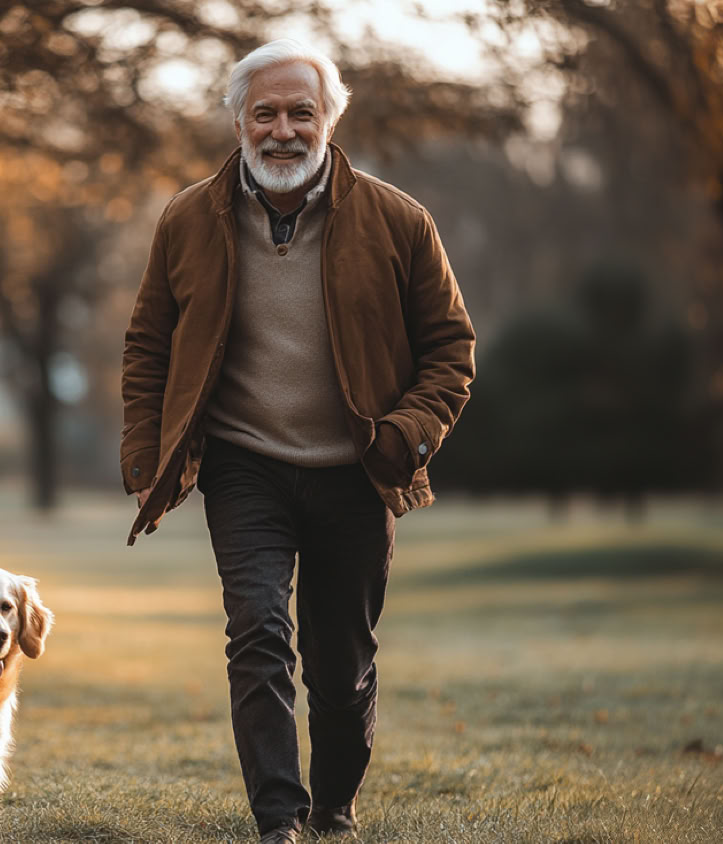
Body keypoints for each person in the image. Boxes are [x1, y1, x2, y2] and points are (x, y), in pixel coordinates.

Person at [119, 38, 476, 842]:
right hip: (245, 467)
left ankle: (333, 809)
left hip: (359, 468)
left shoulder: (398, 221)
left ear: (329, 120)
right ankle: (279, 819)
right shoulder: (187, 219)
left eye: (300, 113)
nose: (283, 130)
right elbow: (148, 344)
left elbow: (452, 348)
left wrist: (405, 436)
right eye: (265, 113)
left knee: (341, 663)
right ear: (239, 122)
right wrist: (146, 456)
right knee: (257, 629)